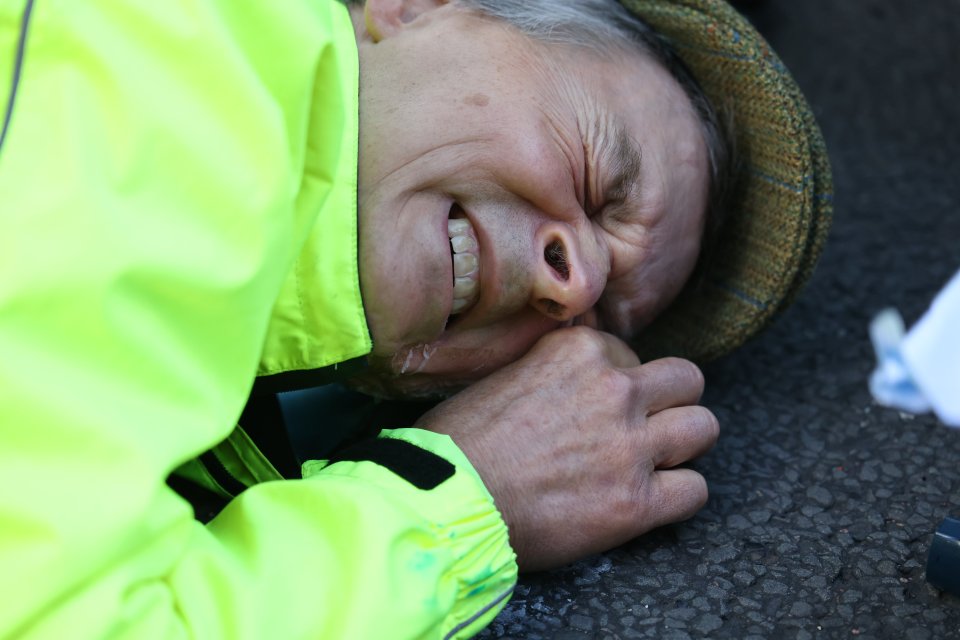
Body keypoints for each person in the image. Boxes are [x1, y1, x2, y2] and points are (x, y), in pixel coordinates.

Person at [0, 0, 831, 638]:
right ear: (413, 7)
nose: (573, 286)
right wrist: (465, 498)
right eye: (600, 177)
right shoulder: (189, 82)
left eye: (597, 323)